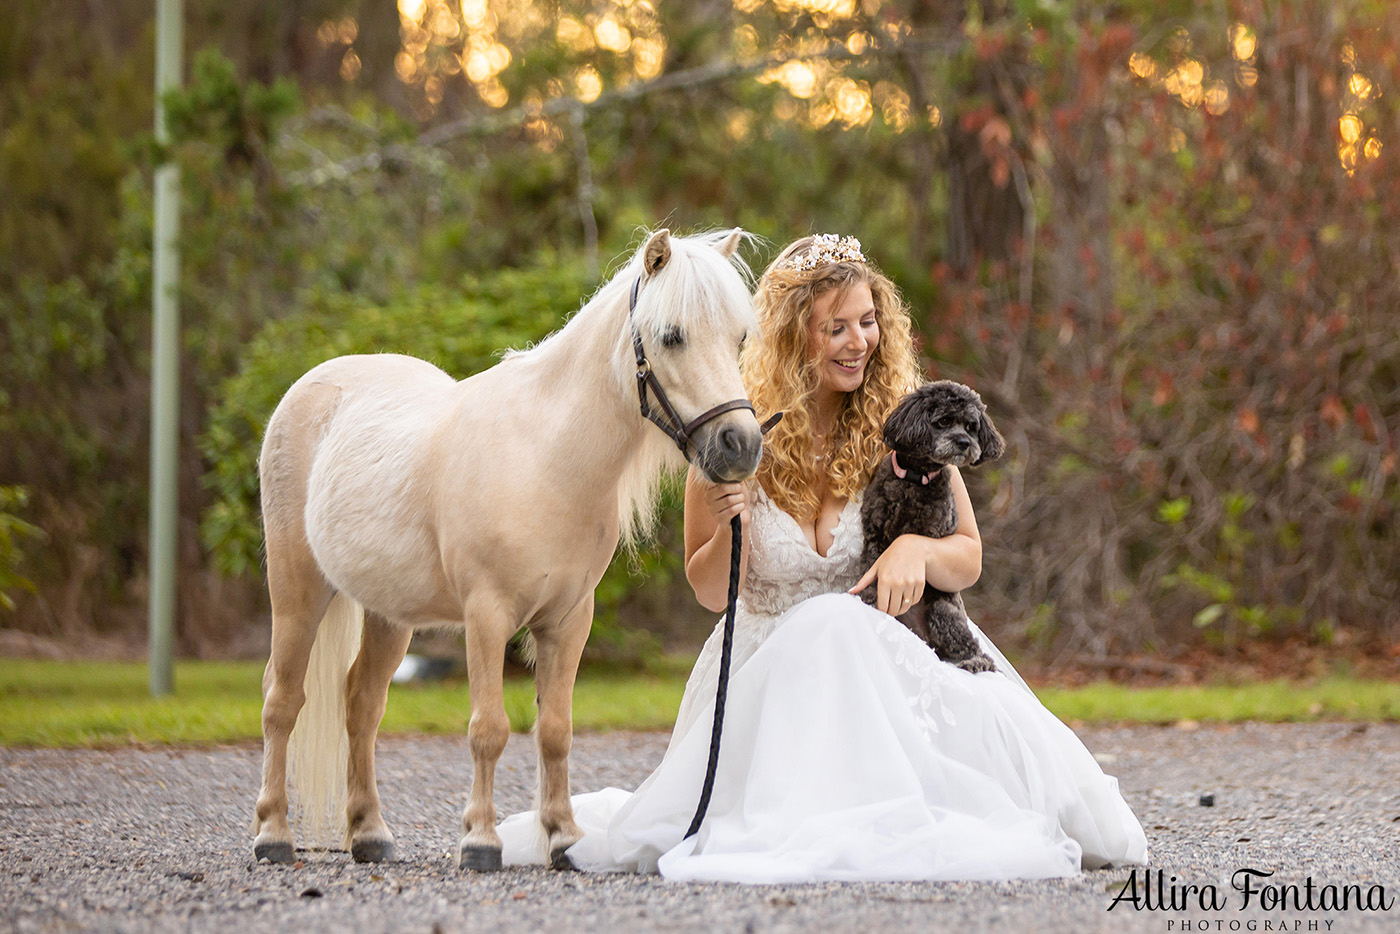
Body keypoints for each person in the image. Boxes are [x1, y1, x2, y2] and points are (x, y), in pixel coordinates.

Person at [500, 234, 1147, 882]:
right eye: (835, 327)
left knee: (845, 627)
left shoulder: (905, 428)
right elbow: (707, 590)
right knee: (820, 625)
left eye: (868, 322)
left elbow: (968, 556)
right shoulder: (733, 432)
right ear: (791, 336)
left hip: (881, 668)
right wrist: (735, 523)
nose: (858, 341)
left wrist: (916, 550)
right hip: (765, 677)